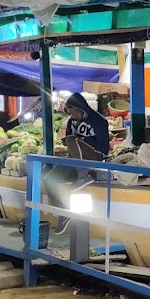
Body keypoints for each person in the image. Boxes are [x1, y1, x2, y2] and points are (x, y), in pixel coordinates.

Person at [43, 93, 110, 233]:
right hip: (75, 158)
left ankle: (84, 175)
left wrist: (79, 141)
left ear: (81, 109)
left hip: (94, 157)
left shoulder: (98, 120)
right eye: (69, 113)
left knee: (72, 139)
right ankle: (63, 213)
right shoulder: (70, 122)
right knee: (49, 179)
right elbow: (70, 139)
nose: (72, 116)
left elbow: (104, 147)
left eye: (73, 112)